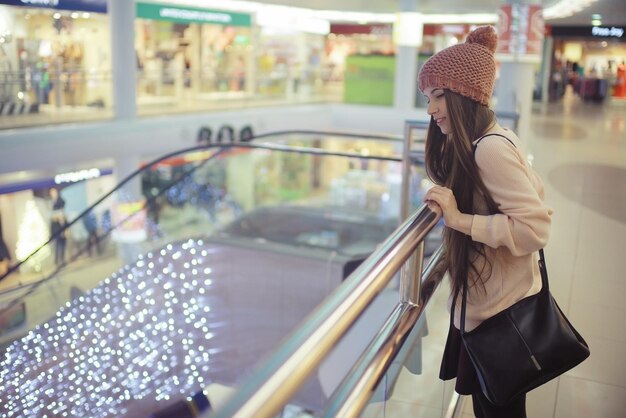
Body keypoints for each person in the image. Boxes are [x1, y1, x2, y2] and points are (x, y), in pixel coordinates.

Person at [417, 26, 553, 418]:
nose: (431, 110)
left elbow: (535, 229)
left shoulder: (489, 150)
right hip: (491, 307)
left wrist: (460, 220)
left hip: (499, 315)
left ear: (464, 95)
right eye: (428, 99)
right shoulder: (493, 139)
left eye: (438, 96)